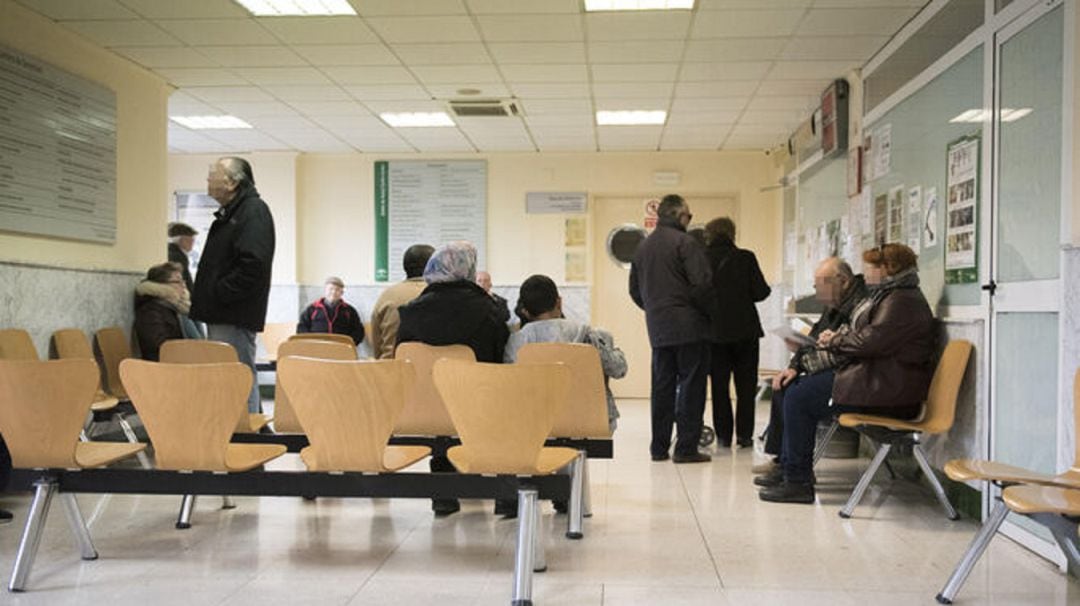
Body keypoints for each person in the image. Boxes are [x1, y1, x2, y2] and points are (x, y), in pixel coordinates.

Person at [759, 244, 935, 504]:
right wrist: (838, 339)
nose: (865, 273)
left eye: (872, 267)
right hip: (879, 381)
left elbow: (870, 341)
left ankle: (797, 482)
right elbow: (868, 337)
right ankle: (790, 470)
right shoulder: (892, 297)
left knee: (799, 398)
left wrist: (835, 340)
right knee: (796, 389)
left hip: (886, 390)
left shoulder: (901, 301)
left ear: (888, 269)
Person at [397, 241, 511, 517]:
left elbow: (402, 358)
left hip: (425, 407)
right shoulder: (489, 310)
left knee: (441, 412)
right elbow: (500, 358)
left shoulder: (410, 312)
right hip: (478, 403)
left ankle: (443, 496)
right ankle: (504, 496)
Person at [755, 257, 867, 475]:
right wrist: (794, 366)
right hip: (831, 368)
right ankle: (782, 460)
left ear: (842, 280)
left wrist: (805, 360)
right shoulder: (834, 303)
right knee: (784, 383)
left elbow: (849, 350)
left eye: (820, 285)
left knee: (797, 394)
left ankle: (795, 473)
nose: (817, 292)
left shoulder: (859, 306)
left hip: (847, 375)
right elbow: (814, 338)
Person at [629, 194, 714, 464]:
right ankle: (686, 448)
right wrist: (701, 312)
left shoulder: (643, 248)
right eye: (688, 215)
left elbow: (634, 290)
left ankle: (658, 448)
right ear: (679, 216)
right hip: (689, 326)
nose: (690, 220)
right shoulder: (685, 242)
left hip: (658, 327)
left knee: (662, 387)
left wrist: (655, 308)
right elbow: (702, 283)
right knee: (691, 385)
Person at [189, 156, 275, 414]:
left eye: (213, 174)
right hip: (224, 312)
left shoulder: (253, 211)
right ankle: (245, 434)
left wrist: (219, 292)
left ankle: (247, 436)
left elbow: (253, 264)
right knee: (232, 378)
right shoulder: (235, 212)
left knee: (237, 378)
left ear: (232, 182)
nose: (208, 179)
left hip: (232, 313)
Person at [505, 274, 627, 432]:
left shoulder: (517, 343)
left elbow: (510, 388)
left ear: (525, 312)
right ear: (559, 302)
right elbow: (619, 369)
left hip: (536, 424)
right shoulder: (586, 334)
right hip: (589, 422)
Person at [703, 217, 770, 449]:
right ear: (732, 234)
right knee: (746, 387)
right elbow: (761, 292)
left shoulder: (702, 259)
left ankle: (723, 436)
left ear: (708, 235)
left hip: (714, 333)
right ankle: (744, 436)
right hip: (745, 332)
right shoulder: (745, 257)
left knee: (719, 388)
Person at [369, 244, 435, 359]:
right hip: (429, 370)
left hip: (389, 369)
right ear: (433, 267)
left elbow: (377, 344)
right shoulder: (439, 295)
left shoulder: (386, 295)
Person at [134, 262, 204, 361]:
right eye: (177, 282)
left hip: (178, 362)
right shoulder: (150, 311)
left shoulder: (177, 308)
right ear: (161, 286)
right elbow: (161, 346)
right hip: (163, 367)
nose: (183, 286)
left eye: (183, 281)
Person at [297, 276, 365, 345]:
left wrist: (349, 343)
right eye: (331, 289)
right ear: (325, 290)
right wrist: (310, 343)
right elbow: (302, 327)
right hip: (316, 347)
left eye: (337, 289)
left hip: (341, 348)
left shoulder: (349, 311)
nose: (333, 292)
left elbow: (358, 330)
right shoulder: (312, 309)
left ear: (342, 293)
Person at [167, 222, 198, 293]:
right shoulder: (178, 256)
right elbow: (184, 280)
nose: (192, 242)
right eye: (190, 239)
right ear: (181, 240)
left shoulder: (173, 252)